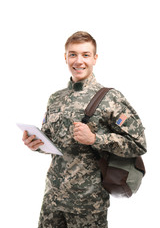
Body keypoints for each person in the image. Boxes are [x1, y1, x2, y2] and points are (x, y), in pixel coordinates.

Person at [22, 31, 147, 228]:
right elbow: (53, 143)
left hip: (88, 204)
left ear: (95, 58)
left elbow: (137, 144)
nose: (79, 61)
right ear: (65, 57)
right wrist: (36, 144)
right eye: (73, 54)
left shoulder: (110, 98)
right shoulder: (56, 98)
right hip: (53, 199)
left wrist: (94, 139)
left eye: (85, 55)